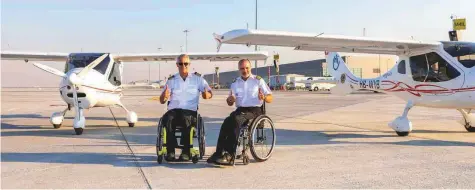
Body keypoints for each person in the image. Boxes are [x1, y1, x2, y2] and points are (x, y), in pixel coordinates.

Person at [207, 59, 273, 165]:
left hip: (255, 111)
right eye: (242, 68)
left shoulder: (258, 80)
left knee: (237, 120)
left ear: (250, 68)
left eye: (247, 68)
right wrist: (230, 100)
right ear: (239, 69)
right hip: (240, 110)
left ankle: (230, 155)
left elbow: (270, 97)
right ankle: (218, 153)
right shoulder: (235, 83)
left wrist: (264, 97)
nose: (245, 70)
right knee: (226, 122)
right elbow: (229, 101)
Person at [159, 54, 212, 161]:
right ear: (177, 65)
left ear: (189, 64)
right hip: (173, 111)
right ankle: (170, 151)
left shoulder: (198, 79)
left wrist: (207, 95)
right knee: (167, 119)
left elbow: (209, 92)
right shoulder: (171, 80)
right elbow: (162, 100)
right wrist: (164, 97)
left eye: (186, 63)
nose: (183, 65)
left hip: (190, 112)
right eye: (181, 63)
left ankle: (186, 151)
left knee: (185, 119)